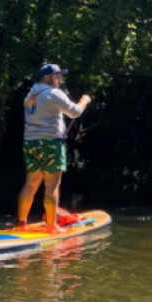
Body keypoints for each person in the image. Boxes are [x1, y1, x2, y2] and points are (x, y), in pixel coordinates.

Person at [15, 63, 91, 232]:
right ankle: (52, 227)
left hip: (31, 143)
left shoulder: (30, 95)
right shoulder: (53, 93)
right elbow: (75, 112)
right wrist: (84, 100)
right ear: (47, 77)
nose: (60, 79)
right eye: (57, 76)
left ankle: (21, 223)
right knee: (52, 185)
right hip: (50, 143)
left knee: (31, 183)